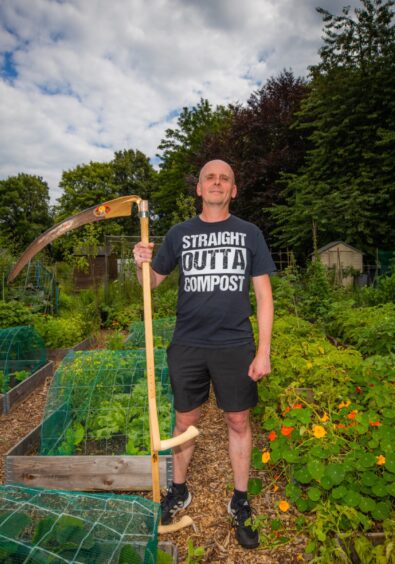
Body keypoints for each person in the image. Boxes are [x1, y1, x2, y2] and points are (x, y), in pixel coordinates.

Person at [133, 159, 274, 549]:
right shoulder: (180, 233)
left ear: (233, 190)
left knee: (239, 420)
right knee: (184, 421)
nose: (216, 182)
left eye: (224, 178)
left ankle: (240, 500)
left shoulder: (249, 233)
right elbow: (154, 282)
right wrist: (141, 261)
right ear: (198, 188)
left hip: (234, 344)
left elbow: (263, 295)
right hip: (189, 344)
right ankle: (179, 490)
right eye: (209, 178)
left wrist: (263, 351)